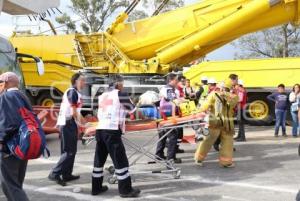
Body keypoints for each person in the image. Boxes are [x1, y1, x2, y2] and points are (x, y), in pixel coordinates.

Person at [92, 74, 140, 198]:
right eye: (122, 84)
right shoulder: (120, 94)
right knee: (120, 161)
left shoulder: (102, 95)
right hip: (112, 131)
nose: (123, 86)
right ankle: (125, 190)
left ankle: (96, 188)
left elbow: (101, 111)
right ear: (118, 84)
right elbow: (133, 111)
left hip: (100, 130)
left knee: (99, 161)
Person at [49, 73, 86, 186]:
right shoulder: (72, 92)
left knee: (71, 151)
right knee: (68, 152)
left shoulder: (75, 93)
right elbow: (74, 112)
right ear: (75, 81)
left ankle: (66, 174)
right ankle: (55, 173)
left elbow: (76, 112)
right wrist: (85, 124)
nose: (84, 82)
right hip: (67, 123)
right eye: (82, 80)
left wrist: (84, 122)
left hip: (70, 123)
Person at [0, 72, 31, 201]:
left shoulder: (8, 96)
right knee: (17, 183)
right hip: (23, 144)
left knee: (10, 185)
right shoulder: (23, 96)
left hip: (10, 147)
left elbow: (8, 123)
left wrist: (1, 139)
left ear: (6, 83)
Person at [194, 79, 238, 168]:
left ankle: (200, 158)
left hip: (219, 123)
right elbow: (205, 105)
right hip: (223, 123)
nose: (221, 90)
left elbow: (205, 105)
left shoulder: (217, 95)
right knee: (223, 143)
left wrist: (197, 112)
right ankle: (225, 162)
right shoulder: (231, 96)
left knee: (211, 141)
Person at [156, 73, 182, 163]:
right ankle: (170, 158)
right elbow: (174, 100)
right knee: (173, 136)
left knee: (162, 136)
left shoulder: (168, 88)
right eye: (176, 80)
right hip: (167, 116)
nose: (177, 82)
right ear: (171, 80)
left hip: (163, 114)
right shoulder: (168, 89)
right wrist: (182, 100)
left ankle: (159, 155)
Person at [213, 74, 239, 151]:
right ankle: (217, 143)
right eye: (237, 80)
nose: (237, 81)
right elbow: (224, 98)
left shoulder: (229, 86)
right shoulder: (226, 86)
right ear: (233, 80)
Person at [176, 75, 186, 154]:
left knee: (180, 132)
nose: (184, 82)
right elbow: (176, 100)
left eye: (184, 81)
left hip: (181, 112)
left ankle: (176, 147)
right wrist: (184, 100)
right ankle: (174, 148)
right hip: (176, 113)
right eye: (182, 81)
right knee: (177, 132)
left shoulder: (181, 89)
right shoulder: (176, 89)